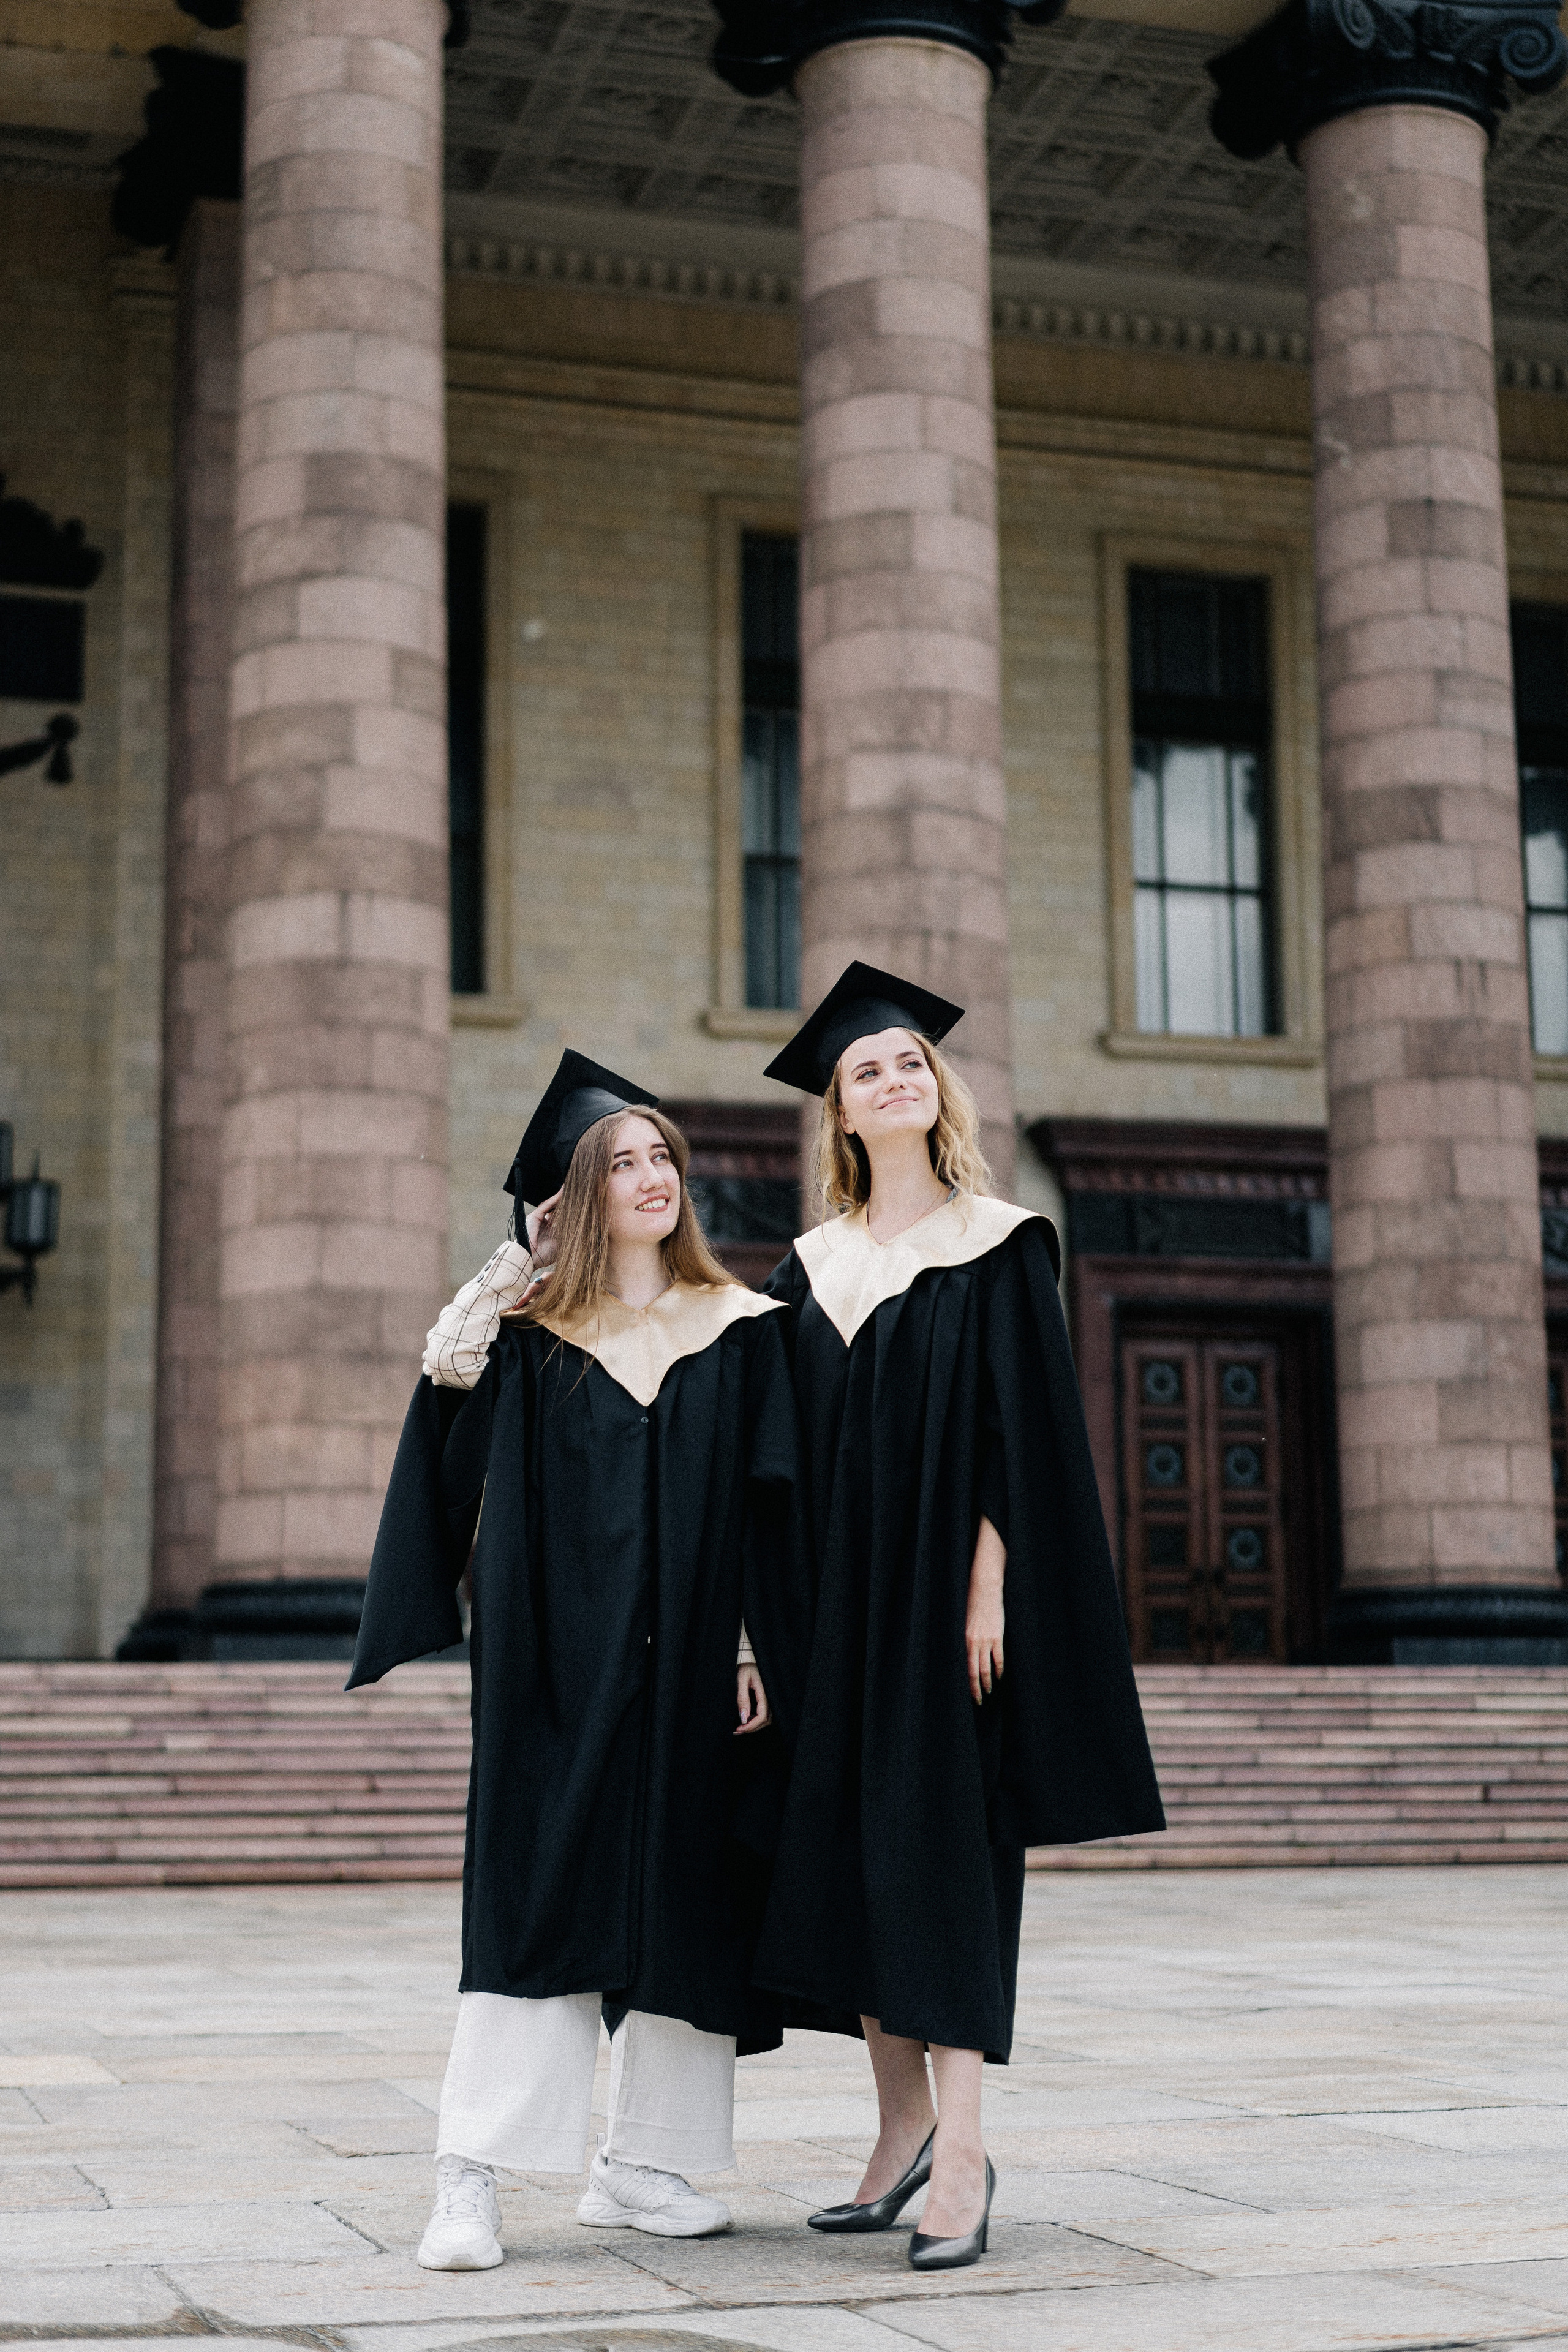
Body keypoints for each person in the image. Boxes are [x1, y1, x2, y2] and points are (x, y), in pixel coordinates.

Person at [347, 1050, 805, 2271]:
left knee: (684, 1893)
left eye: (664, 1157)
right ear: (577, 1196)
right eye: (622, 1164)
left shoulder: (739, 1331)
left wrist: (751, 1644)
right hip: (553, 1662)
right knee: (536, 1892)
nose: (653, 1176)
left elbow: (770, 1512)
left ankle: (641, 2166)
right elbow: (444, 1394)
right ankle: (470, 2173)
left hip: (697, 1662)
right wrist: (521, 1261)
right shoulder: (531, 1339)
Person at [755, 964, 1164, 2271]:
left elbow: (1020, 1436)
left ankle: (966, 2155)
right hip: (827, 1611)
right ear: (838, 1108)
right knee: (849, 1859)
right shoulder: (806, 1271)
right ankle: (899, 2137)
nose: (892, 1079)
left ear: (936, 1091)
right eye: (865, 1069)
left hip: (945, 1612)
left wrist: (989, 1588)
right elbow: (769, 1454)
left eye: (909, 1063)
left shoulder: (999, 1245)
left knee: (944, 1864)